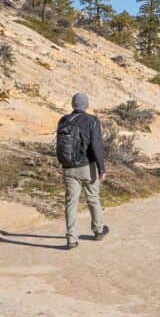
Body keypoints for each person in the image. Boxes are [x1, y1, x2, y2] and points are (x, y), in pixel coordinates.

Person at [55, 92, 109, 249]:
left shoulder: (63, 120)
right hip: (87, 166)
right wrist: (101, 168)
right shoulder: (92, 121)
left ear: (73, 104)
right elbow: (96, 146)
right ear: (86, 105)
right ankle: (98, 230)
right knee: (93, 198)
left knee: (71, 202)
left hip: (68, 168)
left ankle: (71, 238)